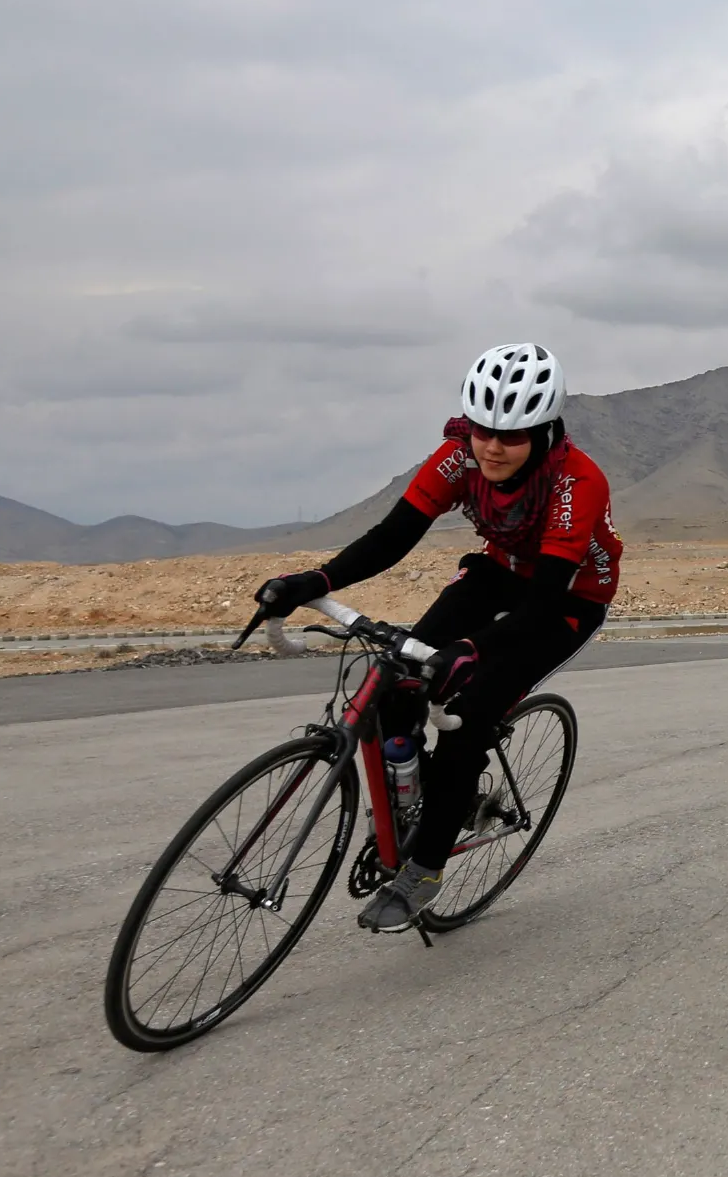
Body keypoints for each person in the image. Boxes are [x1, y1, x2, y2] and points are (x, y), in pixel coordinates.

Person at [255, 343, 622, 932]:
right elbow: (391, 536)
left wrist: (471, 651)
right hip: (502, 569)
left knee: (466, 721)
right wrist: (312, 580)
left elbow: (544, 599)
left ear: (546, 432)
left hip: (567, 598)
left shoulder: (577, 483)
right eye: (483, 429)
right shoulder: (460, 457)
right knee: (399, 681)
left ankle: (424, 868)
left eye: (514, 434)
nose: (493, 446)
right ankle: (435, 791)